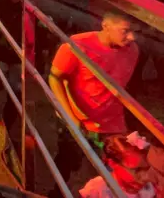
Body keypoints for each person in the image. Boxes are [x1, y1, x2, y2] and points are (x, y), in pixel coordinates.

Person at [50, 10, 140, 184]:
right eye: (125, 31)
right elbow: (55, 78)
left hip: (113, 125)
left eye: (135, 32)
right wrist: (70, 117)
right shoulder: (77, 44)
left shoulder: (133, 50)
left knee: (109, 176)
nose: (132, 37)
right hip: (79, 120)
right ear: (105, 26)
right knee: (68, 163)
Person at [78, 134, 156, 198]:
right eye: (137, 170)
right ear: (112, 164)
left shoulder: (151, 189)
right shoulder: (97, 189)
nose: (147, 177)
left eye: (148, 168)